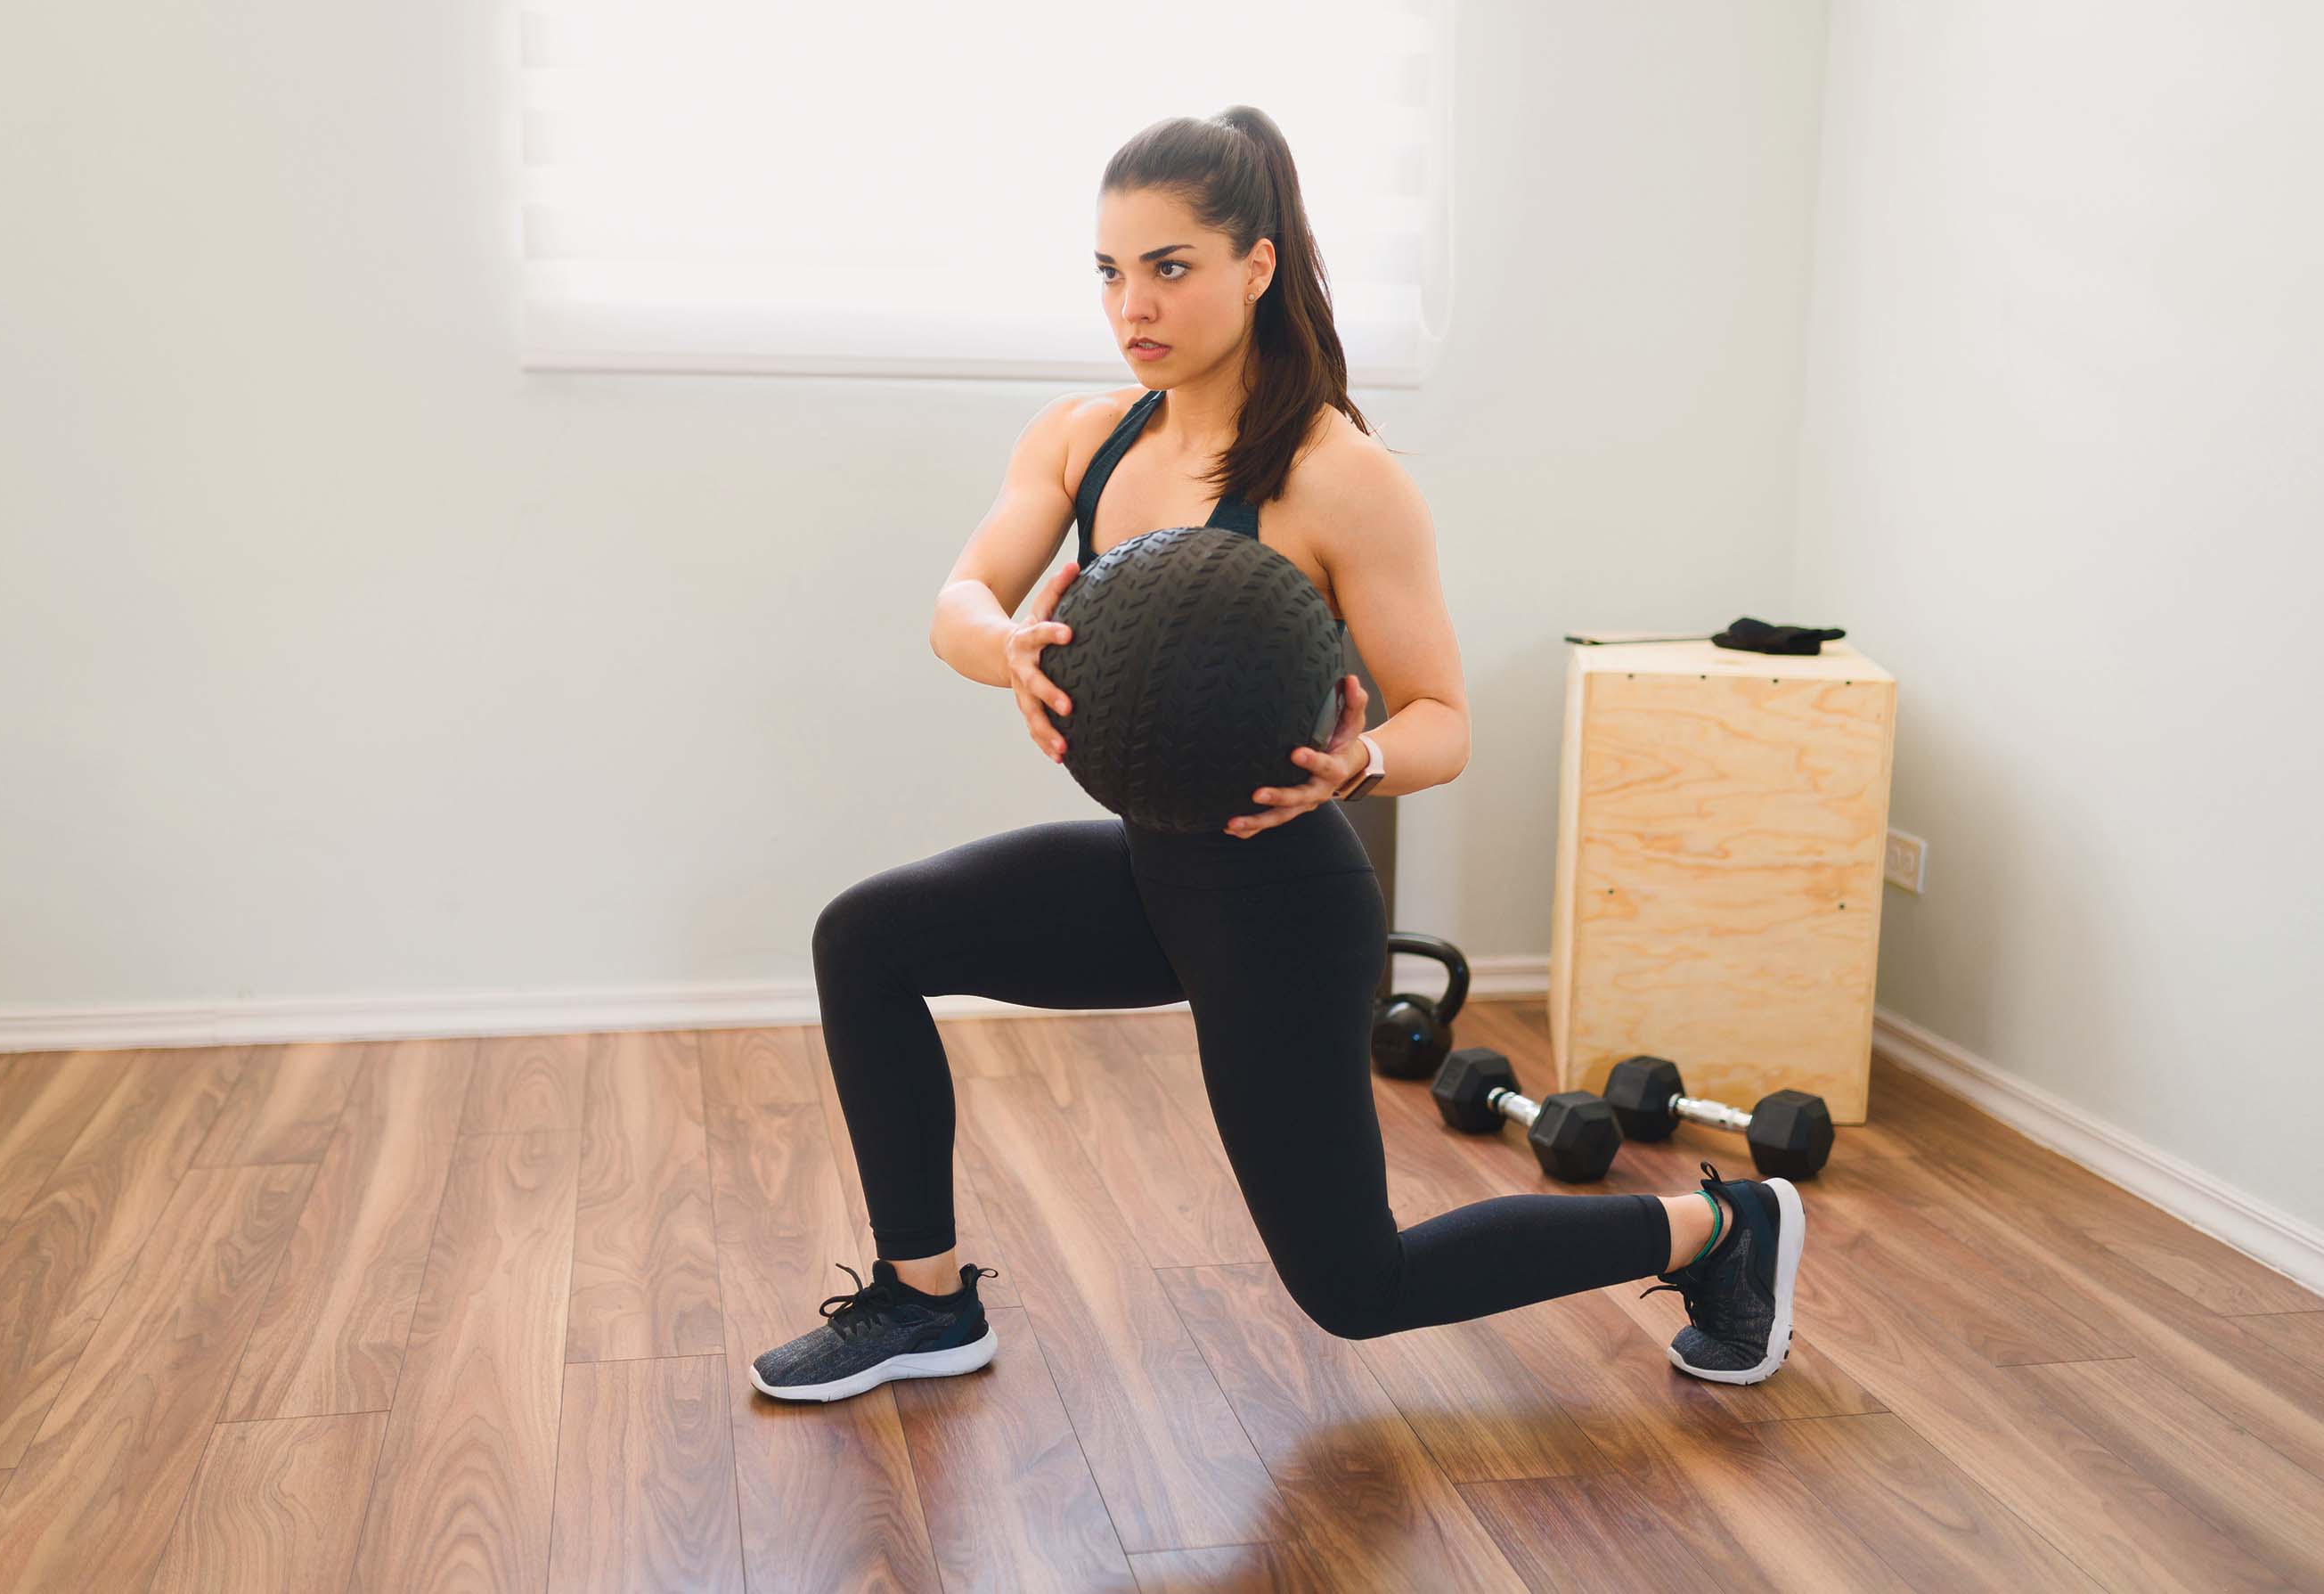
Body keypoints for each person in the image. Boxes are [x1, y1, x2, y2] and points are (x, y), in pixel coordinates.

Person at [751, 108, 1806, 1404]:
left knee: (1354, 1287)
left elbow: (1442, 720)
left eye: (1169, 266)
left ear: (1257, 265)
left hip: (1280, 903)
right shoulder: (1083, 440)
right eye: (1108, 270)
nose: (1130, 302)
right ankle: (923, 1302)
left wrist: (1354, 770)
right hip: (1151, 875)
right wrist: (1011, 644)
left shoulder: (1337, 478)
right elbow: (959, 598)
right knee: (867, 937)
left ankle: (1721, 1226)